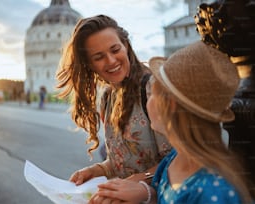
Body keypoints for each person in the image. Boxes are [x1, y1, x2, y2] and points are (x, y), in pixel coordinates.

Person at [89, 41, 255, 203]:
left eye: (153, 93)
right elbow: (160, 196)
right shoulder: (175, 159)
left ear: (170, 105)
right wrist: (145, 193)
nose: (148, 99)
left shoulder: (213, 192)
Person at [56, 14, 171, 186]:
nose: (111, 61)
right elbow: (123, 162)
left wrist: (138, 181)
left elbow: (179, 158)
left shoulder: (154, 88)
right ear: (89, 64)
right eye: (98, 57)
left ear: (126, 46)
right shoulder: (108, 97)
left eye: (115, 50)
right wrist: (95, 170)